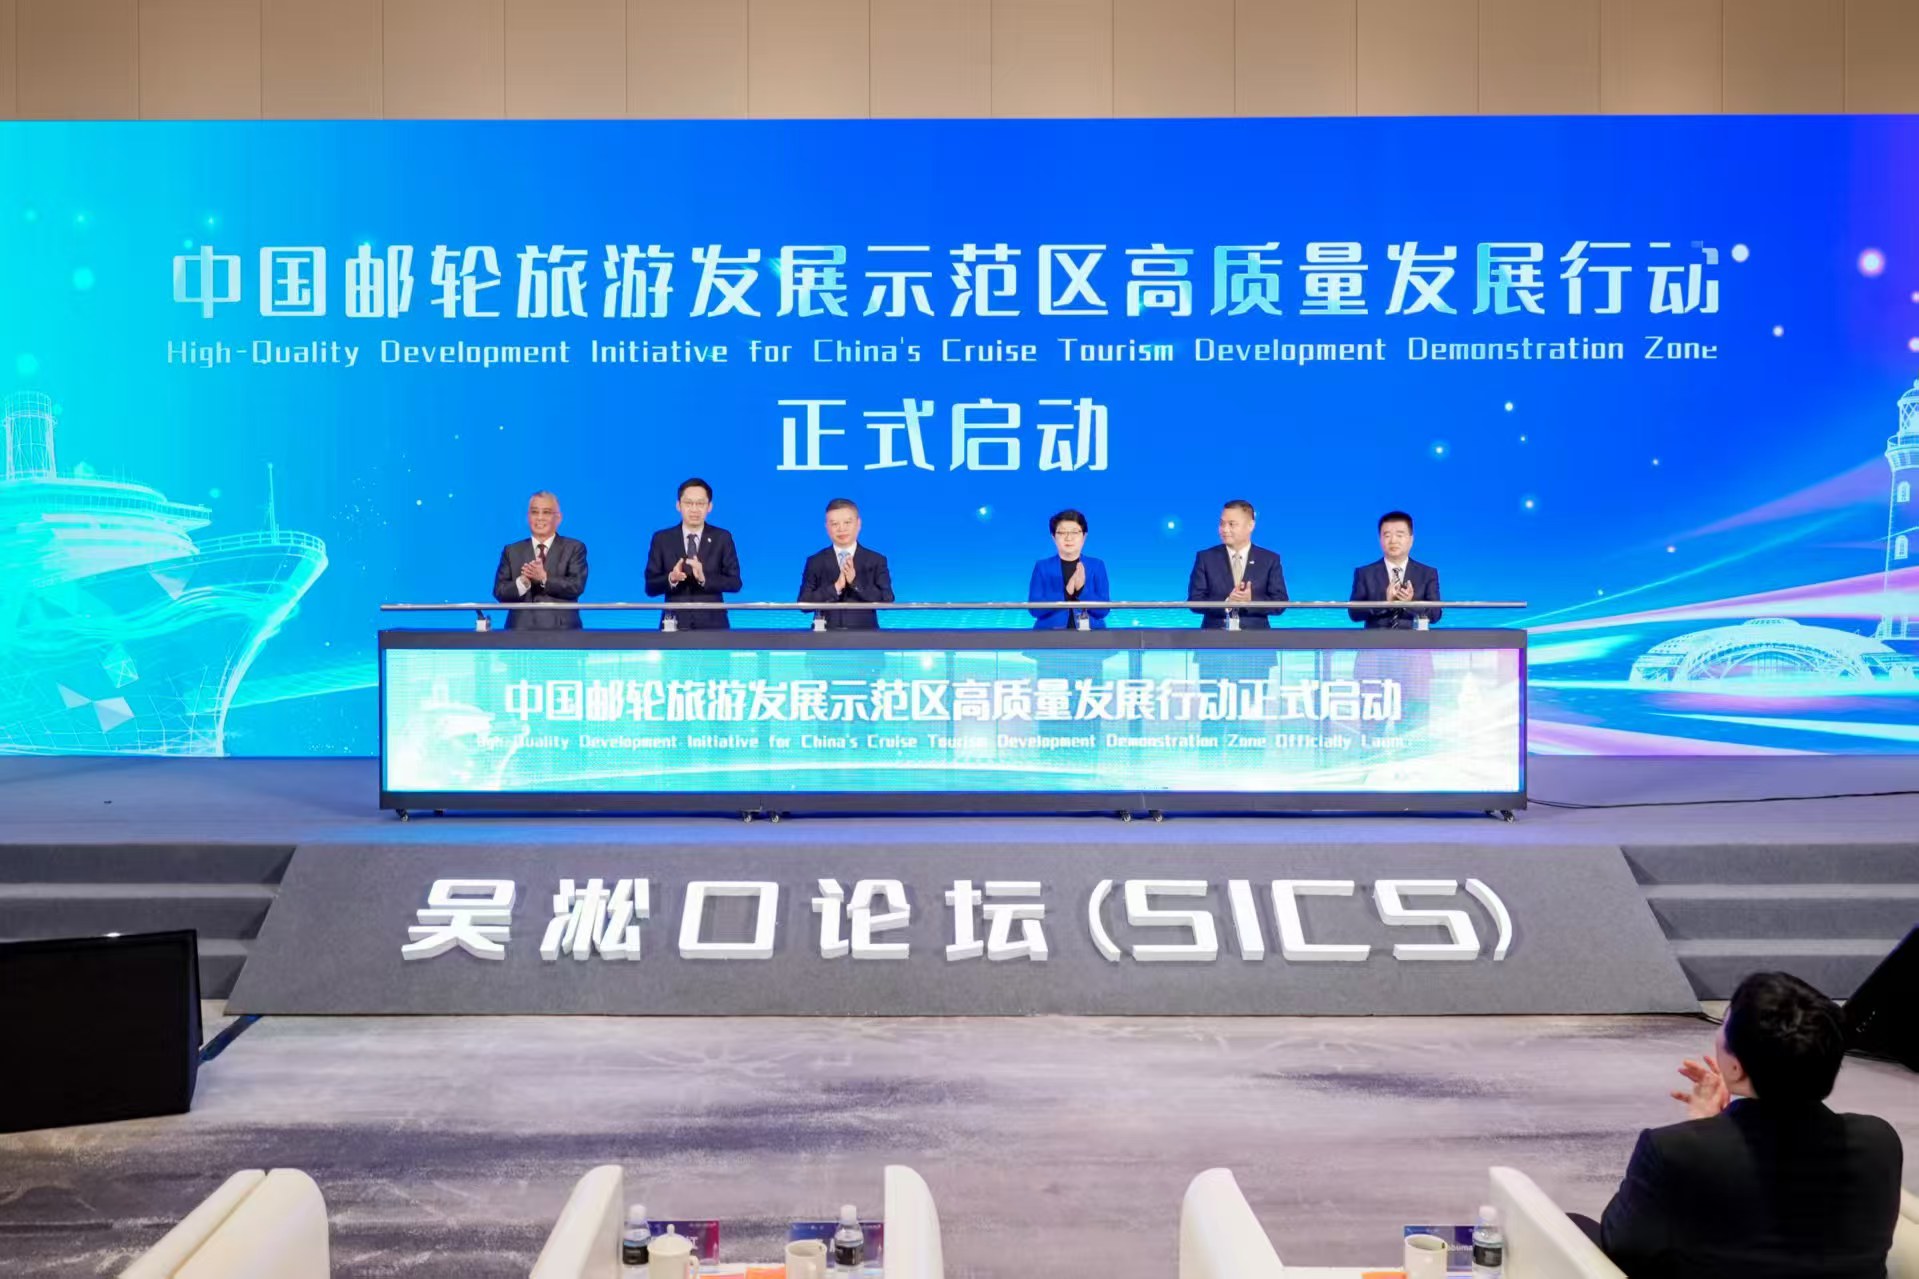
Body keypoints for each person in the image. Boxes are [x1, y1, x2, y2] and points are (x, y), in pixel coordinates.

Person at [1579, 971, 1903, 1279]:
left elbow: (1620, 1244)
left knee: (1574, 1228)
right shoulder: (1879, 1140)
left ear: (1735, 1068)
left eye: (1724, 1024)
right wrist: (1707, 1133)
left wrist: (1699, 1131)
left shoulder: (1673, 1151)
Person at [643, 477, 742, 630]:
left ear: (709, 506)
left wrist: (704, 578)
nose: (694, 509)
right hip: (673, 625)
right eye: (688, 503)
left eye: (700, 503)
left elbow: (735, 583)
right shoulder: (662, 539)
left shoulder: (722, 538)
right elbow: (650, 587)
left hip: (714, 626)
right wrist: (671, 578)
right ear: (678, 505)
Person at [491, 490, 588, 630]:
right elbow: (500, 592)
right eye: (534, 512)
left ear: (558, 518)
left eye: (546, 512)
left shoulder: (574, 548)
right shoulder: (512, 551)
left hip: (563, 631)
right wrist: (523, 583)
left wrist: (544, 578)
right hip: (519, 632)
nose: (540, 518)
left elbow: (576, 586)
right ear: (528, 517)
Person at [1187, 499, 1287, 628]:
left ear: (1250, 526)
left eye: (1231, 524)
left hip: (1257, 636)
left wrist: (1251, 602)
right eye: (1222, 523)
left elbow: (1280, 603)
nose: (1224, 529)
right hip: (1214, 635)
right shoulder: (1205, 558)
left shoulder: (1269, 559)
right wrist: (1226, 603)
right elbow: (1194, 601)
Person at [798, 498, 894, 630]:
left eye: (847, 522)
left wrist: (855, 583)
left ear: (858, 524)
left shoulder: (876, 560)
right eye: (834, 524)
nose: (841, 529)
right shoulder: (815, 561)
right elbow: (803, 604)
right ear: (827, 527)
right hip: (824, 636)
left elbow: (887, 599)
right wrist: (835, 587)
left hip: (866, 635)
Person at [1348, 510, 1442, 629]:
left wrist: (1410, 604)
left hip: (1414, 639)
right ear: (1380, 539)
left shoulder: (1428, 573)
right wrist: (1385, 603)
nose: (1393, 541)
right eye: (1387, 535)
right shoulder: (1364, 573)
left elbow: (1435, 615)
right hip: (1376, 639)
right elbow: (1354, 614)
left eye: (1399, 535)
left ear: (1411, 539)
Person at [1028, 509, 1111, 630]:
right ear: (1053, 537)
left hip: (1092, 634)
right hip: (1049, 634)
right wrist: (1066, 593)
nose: (1068, 538)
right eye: (1062, 532)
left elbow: (1104, 610)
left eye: (1075, 532)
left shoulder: (1097, 565)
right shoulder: (1042, 567)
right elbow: (1034, 609)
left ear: (1084, 536)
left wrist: (1081, 590)